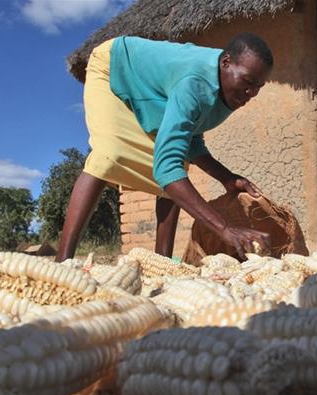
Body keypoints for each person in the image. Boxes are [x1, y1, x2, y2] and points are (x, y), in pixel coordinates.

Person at [55, 33, 274, 262]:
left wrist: (227, 178)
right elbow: (167, 169)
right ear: (226, 62)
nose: (252, 93)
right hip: (114, 68)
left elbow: (191, 138)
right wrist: (225, 229)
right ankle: (63, 260)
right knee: (109, 154)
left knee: (176, 166)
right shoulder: (195, 82)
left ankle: (163, 263)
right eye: (248, 82)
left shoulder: (230, 89)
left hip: (151, 92)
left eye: (258, 86)